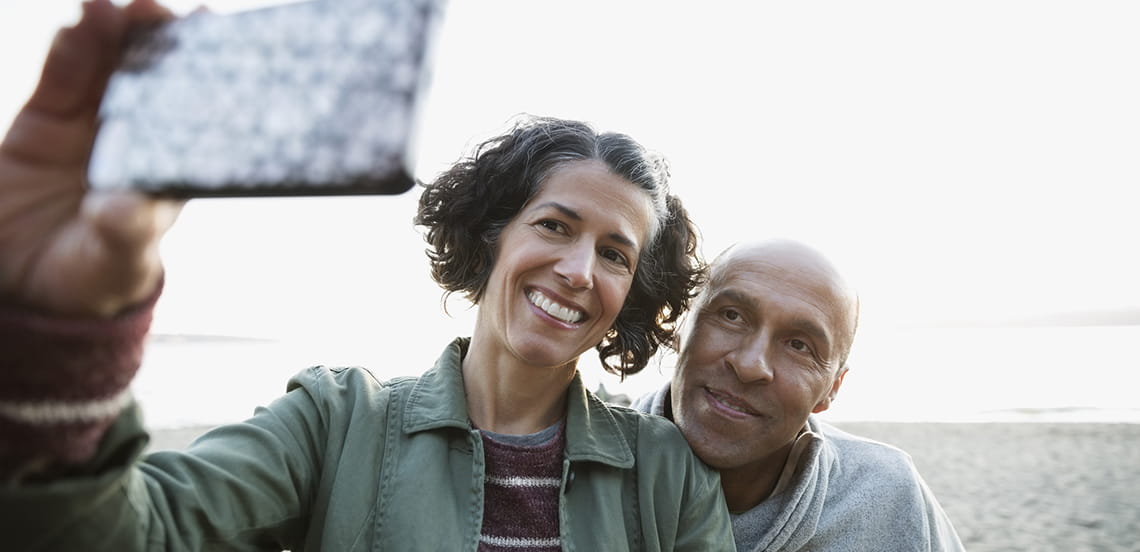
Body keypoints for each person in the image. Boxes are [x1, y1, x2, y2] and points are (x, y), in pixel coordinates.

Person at [0, 1, 734, 550]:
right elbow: (132, 532)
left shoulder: (667, 474)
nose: (578, 271)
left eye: (615, 253)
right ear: (492, 237)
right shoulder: (335, 422)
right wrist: (61, 347)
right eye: (554, 226)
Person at [633, 239, 965, 551]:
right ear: (679, 327)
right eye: (731, 316)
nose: (751, 365)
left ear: (831, 389)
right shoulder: (590, 465)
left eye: (798, 345)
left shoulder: (889, 493)